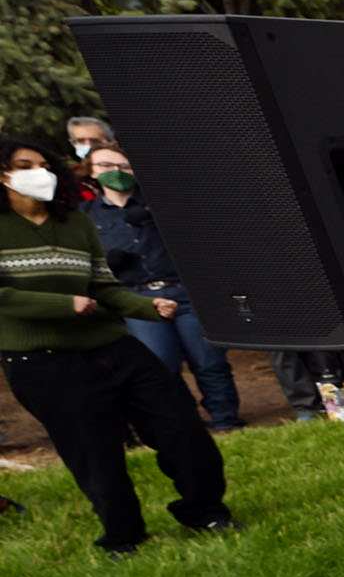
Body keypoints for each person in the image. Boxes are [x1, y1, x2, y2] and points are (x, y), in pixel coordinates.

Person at [0, 135, 234, 554]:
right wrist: (63, 304)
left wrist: (147, 307)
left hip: (111, 346)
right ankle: (124, 536)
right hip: (43, 361)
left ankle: (206, 511)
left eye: (44, 165)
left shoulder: (76, 223)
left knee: (181, 425)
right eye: (24, 165)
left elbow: (103, 286)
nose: (41, 173)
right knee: (95, 451)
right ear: (3, 175)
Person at [80, 145, 240, 431]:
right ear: (91, 171)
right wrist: (108, 264)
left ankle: (226, 420)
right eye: (105, 165)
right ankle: (185, 421)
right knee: (161, 367)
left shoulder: (161, 202)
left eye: (124, 166)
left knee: (209, 363)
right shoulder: (87, 215)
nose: (116, 172)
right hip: (138, 298)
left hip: (186, 293)